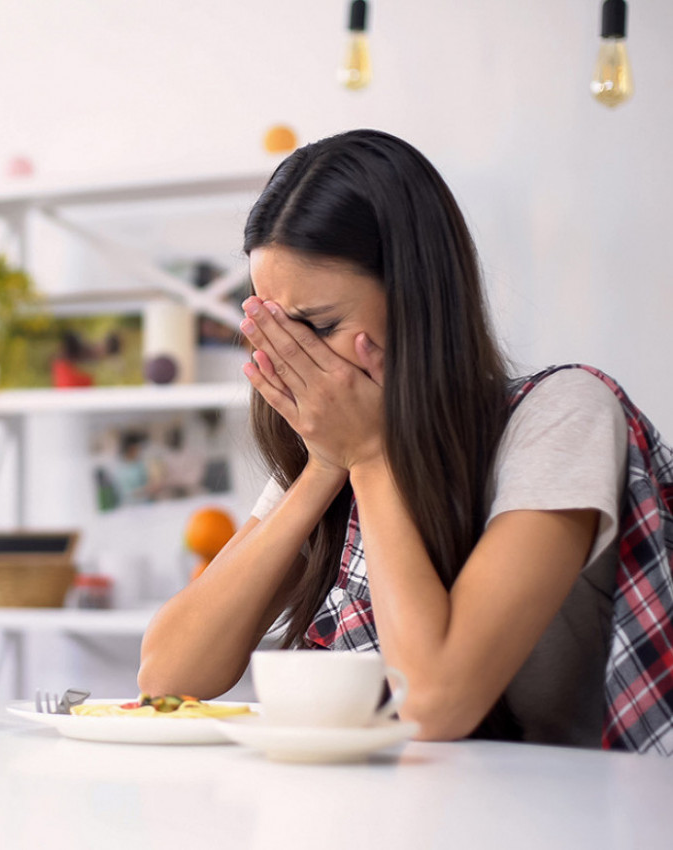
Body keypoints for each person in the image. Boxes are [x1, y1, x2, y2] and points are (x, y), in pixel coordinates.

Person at [137, 129, 673, 751]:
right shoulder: (337, 444)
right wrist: (322, 470)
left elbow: (436, 705)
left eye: (320, 326)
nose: (292, 357)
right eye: (275, 327)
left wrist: (367, 456)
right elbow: (167, 675)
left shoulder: (564, 415)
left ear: (416, 298)